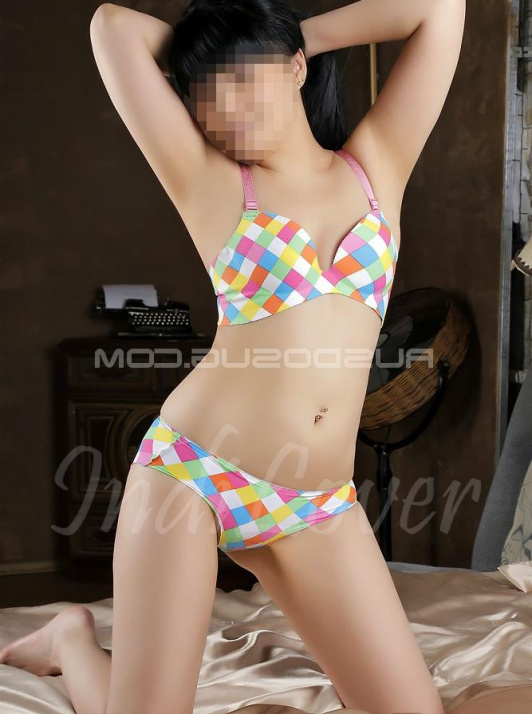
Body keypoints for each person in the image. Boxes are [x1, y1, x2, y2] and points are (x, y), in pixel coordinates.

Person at [0, 1, 466, 712]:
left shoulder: (378, 166)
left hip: (319, 505)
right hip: (196, 473)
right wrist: (230, 52)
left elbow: (440, 8)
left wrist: (289, 37)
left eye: (243, 79)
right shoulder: (211, 182)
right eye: (204, 93)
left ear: (298, 69)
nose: (224, 109)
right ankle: (72, 641)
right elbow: (111, 27)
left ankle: (69, 641)